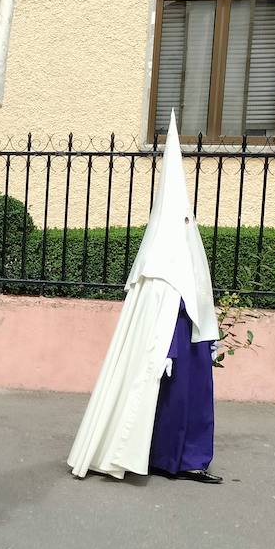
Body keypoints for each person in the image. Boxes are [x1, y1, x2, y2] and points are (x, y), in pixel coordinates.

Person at [67, 112, 222, 484]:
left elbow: (196, 297)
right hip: (174, 349)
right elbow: (159, 313)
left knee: (193, 406)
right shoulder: (159, 263)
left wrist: (210, 338)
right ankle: (170, 460)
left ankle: (187, 458)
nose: (189, 225)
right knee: (171, 405)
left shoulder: (186, 251)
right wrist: (167, 352)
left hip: (193, 346)